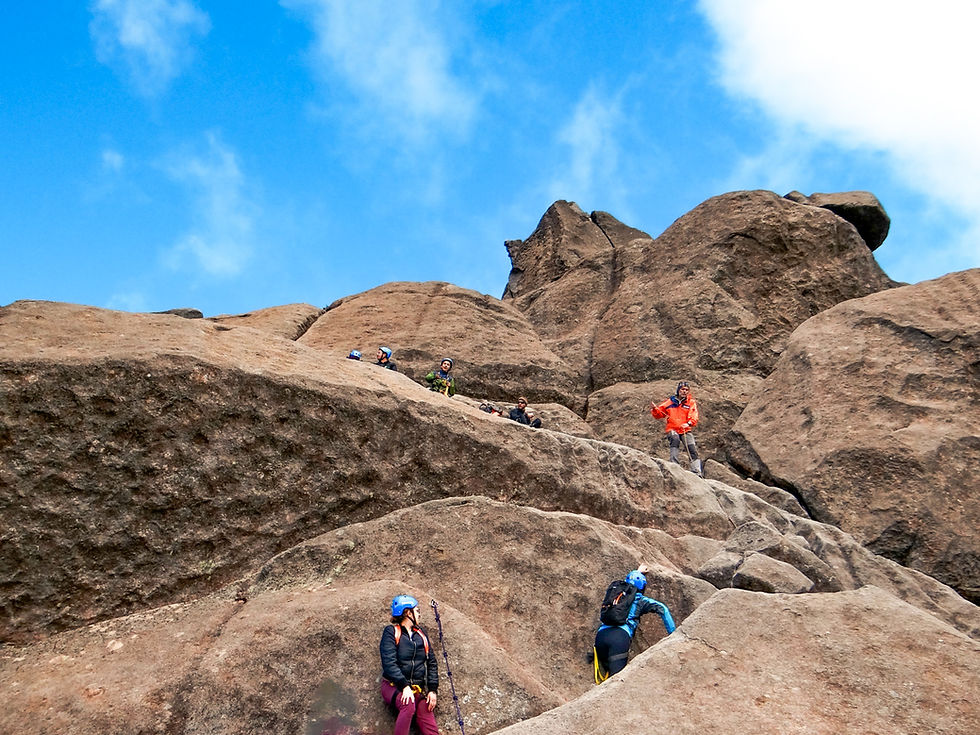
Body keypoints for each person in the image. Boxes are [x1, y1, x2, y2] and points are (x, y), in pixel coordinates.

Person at [593, 565, 675, 682]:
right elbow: (663, 609)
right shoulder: (641, 601)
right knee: (615, 682)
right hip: (619, 639)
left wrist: (637, 572)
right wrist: (673, 634)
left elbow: (630, 582)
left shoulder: (616, 595)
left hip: (601, 637)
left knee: (603, 680)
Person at [380, 595, 440, 735]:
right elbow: (389, 663)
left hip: (416, 689)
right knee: (408, 704)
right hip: (393, 686)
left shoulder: (421, 635)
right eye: (417, 610)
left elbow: (431, 663)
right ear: (408, 613)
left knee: (427, 711)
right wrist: (404, 686)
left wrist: (432, 689)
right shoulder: (391, 632)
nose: (419, 614)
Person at [649, 381, 702, 476]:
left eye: (686, 390)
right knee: (675, 439)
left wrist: (689, 423)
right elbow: (659, 414)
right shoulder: (670, 402)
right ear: (678, 390)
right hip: (672, 428)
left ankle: (697, 470)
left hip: (685, 429)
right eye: (682, 389)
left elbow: (694, 415)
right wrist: (654, 409)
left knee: (691, 448)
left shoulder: (691, 402)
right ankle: (674, 465)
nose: (684, 391)